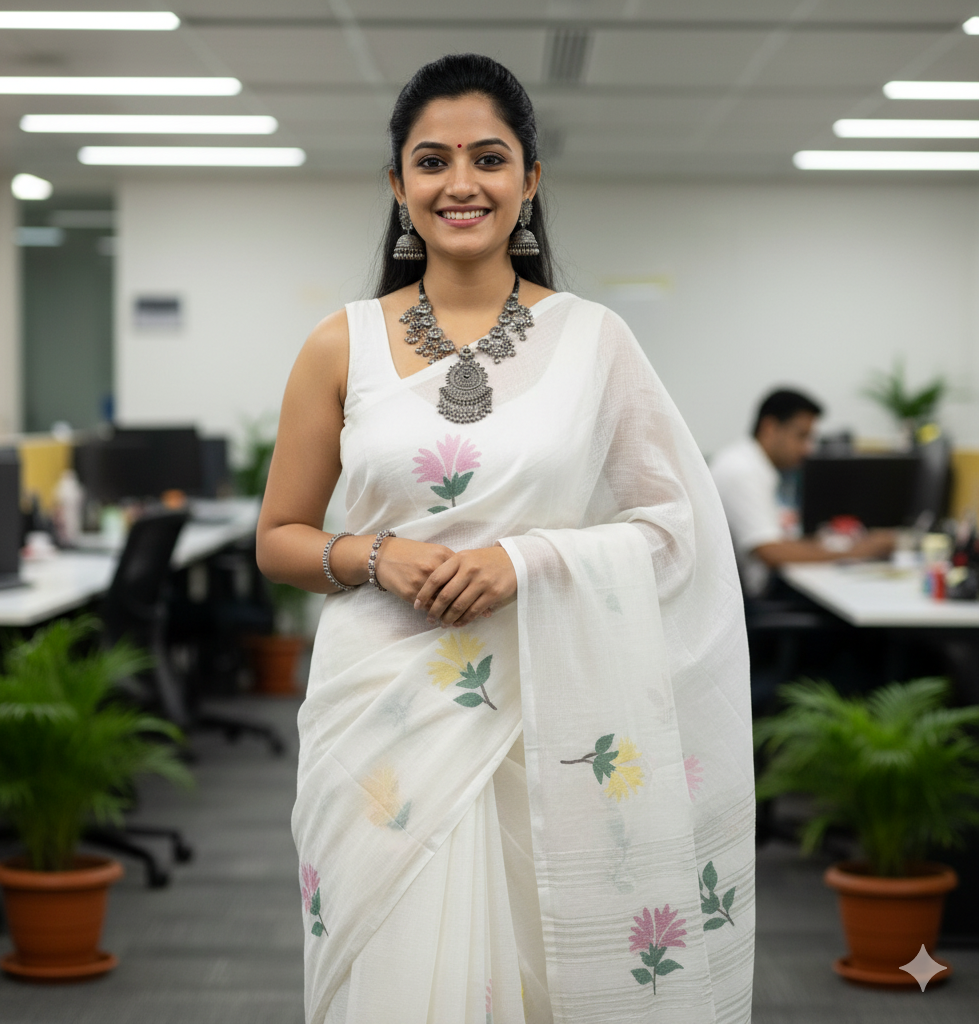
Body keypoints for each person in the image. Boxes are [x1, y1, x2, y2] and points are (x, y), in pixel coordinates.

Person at [257, 54, 754, 1024]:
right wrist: (377, 554)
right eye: (431, 161)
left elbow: (672, 529)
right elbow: (279, 536)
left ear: (529, 179)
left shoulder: (595, 340)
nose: (460, 183)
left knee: (546, 969)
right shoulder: (339, 343)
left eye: (488, 158)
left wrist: (523, 560)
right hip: (385, 725)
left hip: (549, 717)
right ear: (398, 186)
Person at [711, 389, 895, 599]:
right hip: (764, 600)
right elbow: (771, 551)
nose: (807, 449)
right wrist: (858, 551)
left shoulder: (756, 465)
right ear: (770, 427)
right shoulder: (742, 470)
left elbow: (779, 536)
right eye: (801, 436)